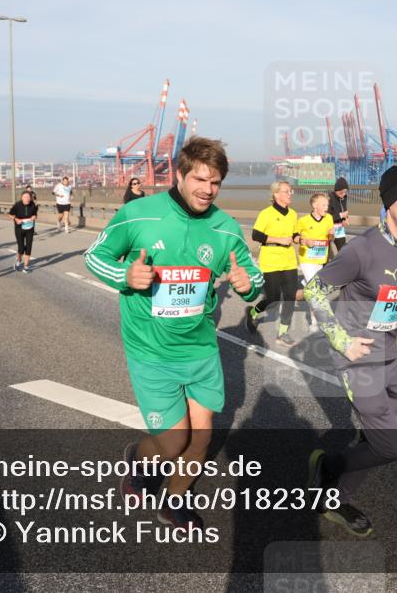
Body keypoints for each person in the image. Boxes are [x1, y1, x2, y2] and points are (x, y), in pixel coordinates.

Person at [84, 137, 264, 532]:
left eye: (215, 183)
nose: (207, 190)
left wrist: (246, 285)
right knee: (172, 442)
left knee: (200, 440)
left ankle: (172, 502)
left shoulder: (225, 227)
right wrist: (125, 276)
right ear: (180, 174)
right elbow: (94, 255)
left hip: (200, 350)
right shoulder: (140, 214)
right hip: (151, 350)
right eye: (200, 179)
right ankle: (137, 458)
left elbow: (254, 279)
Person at [304, 166, 397, 537]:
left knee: (375, 439)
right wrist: (343, 342)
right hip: (359, 358)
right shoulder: (362, 250)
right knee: (389, 446)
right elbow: (314, 291)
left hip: (389, 353)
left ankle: (333, 501)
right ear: (390, 203)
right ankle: (328, 466)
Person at [245, 181, 299, 346]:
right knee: (274, 298)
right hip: (271, 260)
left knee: (290, 297)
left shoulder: (293, 214)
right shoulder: (266, 214)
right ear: (276, 194)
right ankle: (253, 312)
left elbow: (294, 234)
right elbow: (256, 235)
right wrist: (278, 239)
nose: (290, 194)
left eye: (291, 191)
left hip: (289, 260)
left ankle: (282, 333)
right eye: (286, 191)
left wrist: (302, 239)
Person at [294, 192, 335, 333]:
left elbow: (330, 235)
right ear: (314, 205)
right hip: (306, 259)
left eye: (327, 205)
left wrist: (331, 236)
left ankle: (292, 295)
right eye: (323, 205)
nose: (326, 207)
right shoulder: (303, 220)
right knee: (316, 291)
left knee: (312, 287)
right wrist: (304, 241)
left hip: (320, 260)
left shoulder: (329, 218)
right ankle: (314, 323)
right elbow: (294, 237)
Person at [9, 190, 39, 273]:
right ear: (22, 197)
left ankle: (26, 266)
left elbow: (35, 214)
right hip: (19, 228)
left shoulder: (33, 205)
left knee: (28, 247)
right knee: (21, 248)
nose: (27, 198)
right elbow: (10, 214)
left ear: (31, 198)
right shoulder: (17, 205)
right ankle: (18, 263)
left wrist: (34, 217)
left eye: (28, 197)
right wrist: (16, 219)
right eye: (25, 197)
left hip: (30, 228)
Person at [328, 177, 350, 253]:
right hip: (330, 228)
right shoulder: (330, 198)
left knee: (343, 251)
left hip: (340, 229)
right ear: (336, 191)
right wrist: (340, 215)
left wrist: (345, 219)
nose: (343, 194)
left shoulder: (344, 198)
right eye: (341, 192)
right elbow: (327, 217)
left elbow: (344, 212)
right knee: (326, 253)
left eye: (345, 192)